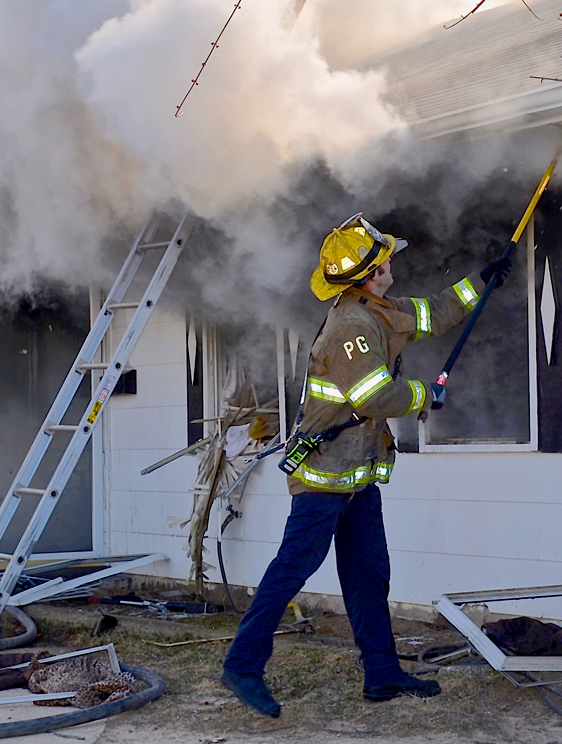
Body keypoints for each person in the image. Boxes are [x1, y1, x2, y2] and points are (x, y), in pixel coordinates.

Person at [220, 214, 514, 717]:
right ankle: (242, 666)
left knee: (369, 574)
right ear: (370, 272)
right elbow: (373, 395)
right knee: (293, 569)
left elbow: (431, 313)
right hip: (323, 480)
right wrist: (424, 395)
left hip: (358, 477)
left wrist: (481, 283)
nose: (394, 261)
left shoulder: (377, 308)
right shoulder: (351, 325)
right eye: (387, 258)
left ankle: (381, 674)